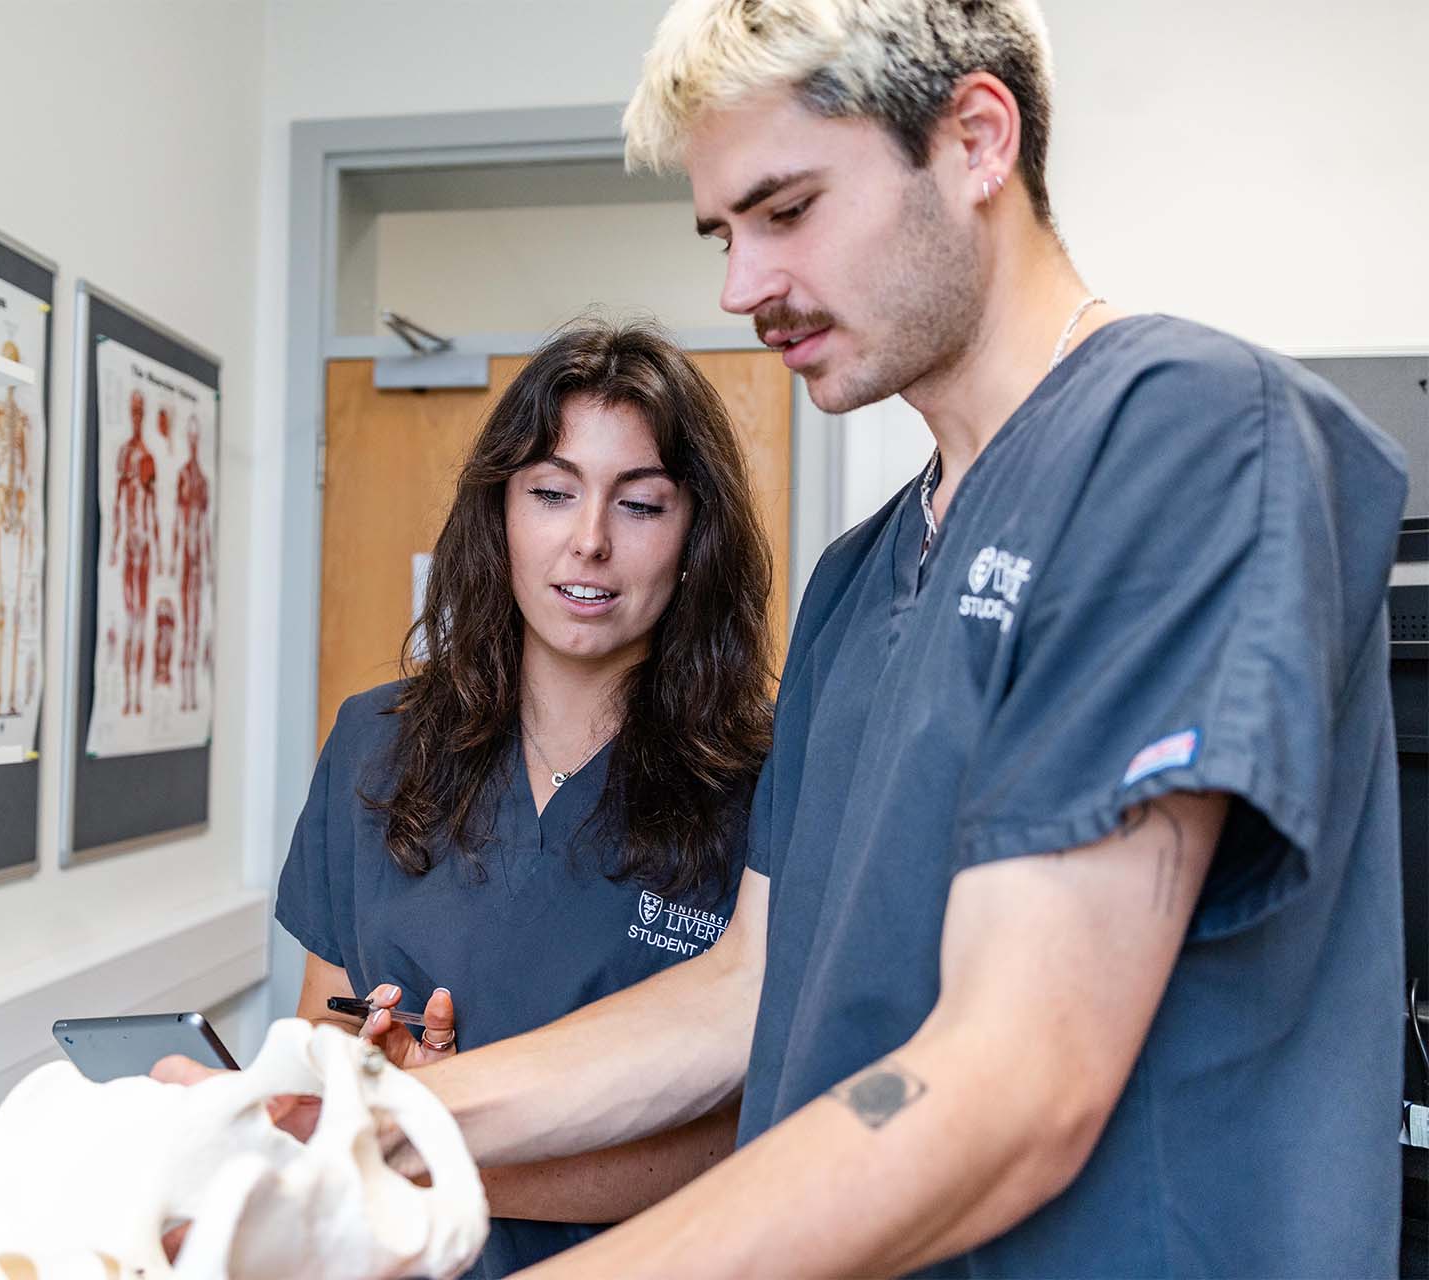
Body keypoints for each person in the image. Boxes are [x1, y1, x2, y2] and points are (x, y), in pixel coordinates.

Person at [373, 3, 1410, 1276]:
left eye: (788, 210)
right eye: (724, 233)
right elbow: (745, 987)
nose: (740, 286)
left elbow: (1015, 1084)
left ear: (976, 140)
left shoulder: (1180, 436)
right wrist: (363, 1120)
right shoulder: (860, 577)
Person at [273, 318, 778, 1275]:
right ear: (498, 513)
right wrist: (376, 1082)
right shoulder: (375, 743)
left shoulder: (758, 782)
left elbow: (740, 1135)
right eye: (552, 493)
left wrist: (430, 1143)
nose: (588, 542)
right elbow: (320, 1037)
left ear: (693, 535)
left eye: (640, 505)